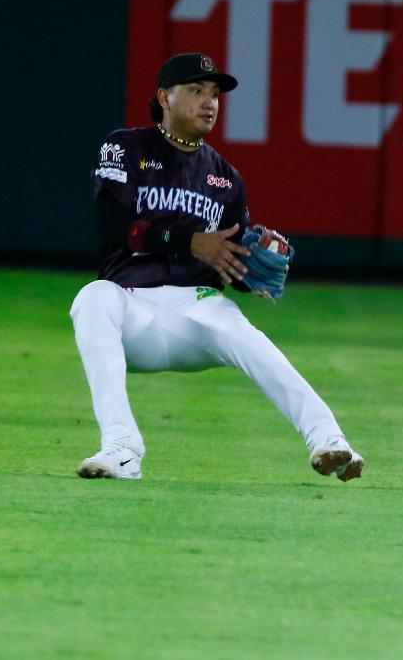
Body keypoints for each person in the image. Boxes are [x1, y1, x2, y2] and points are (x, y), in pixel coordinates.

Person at [70, 52, 364, 482]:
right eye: (196, 90)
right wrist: (189, 242)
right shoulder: (126, 147)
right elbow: (112, 224)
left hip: (198, 309)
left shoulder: (225, 178)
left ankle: (330, 440)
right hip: (132, 309)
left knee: (246, 336)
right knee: (92, 297)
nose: (209, 102)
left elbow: (227, 260)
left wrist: (248, 273)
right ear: (164, 97)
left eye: (215, 94)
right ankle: (122, 448)